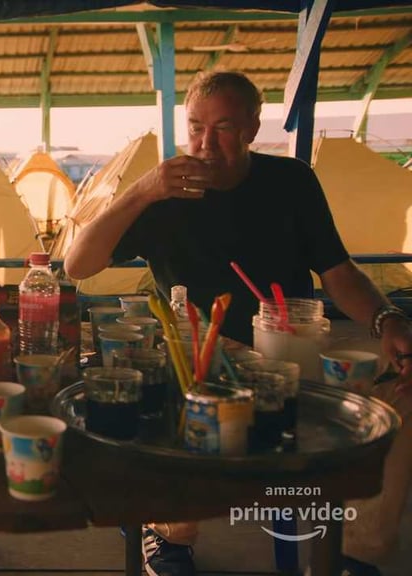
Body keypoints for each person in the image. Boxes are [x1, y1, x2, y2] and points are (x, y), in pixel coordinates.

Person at [64, 70, 412, 576]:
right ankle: (170, 534)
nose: (206, 143)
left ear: (252, 125)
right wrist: (142, 189)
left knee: (401, 395)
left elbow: (337, 272)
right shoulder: (165, 198)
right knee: (167, 386)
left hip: (292, 345)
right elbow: (77, 265)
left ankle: (358, 547)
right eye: (196, 126)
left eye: (223, 127)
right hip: (199, 355)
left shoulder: (291, 182)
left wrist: (387, 319)